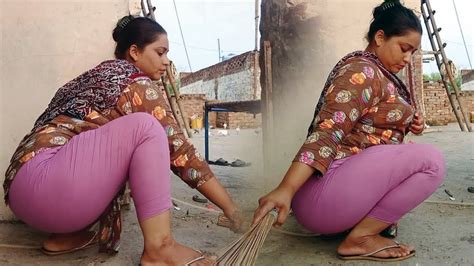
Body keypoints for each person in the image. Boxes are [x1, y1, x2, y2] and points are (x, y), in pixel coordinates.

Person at [4, 15, 242, 265]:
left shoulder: (92, 78)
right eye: (160, 52)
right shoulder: (137, 84)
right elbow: (181, 153)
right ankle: (160, 249)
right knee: (148, 127)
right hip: (51, 184)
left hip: (21, 193)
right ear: (134, 52)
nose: (166, 61)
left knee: (93, 144)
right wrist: (231, 208)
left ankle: (66, 236)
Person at [253, 0, 445, 262]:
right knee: (431, 161)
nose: (408, 59)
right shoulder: (361, 71)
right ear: (380, 37)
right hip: (323, 195)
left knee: (413, 153)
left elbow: (373, 127)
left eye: (413, 52)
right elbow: (327, 133)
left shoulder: (379, 73)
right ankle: (361, 239)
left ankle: (355, 229)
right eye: (404, 49)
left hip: (338, 191)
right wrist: (286, 188)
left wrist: (410, 122)